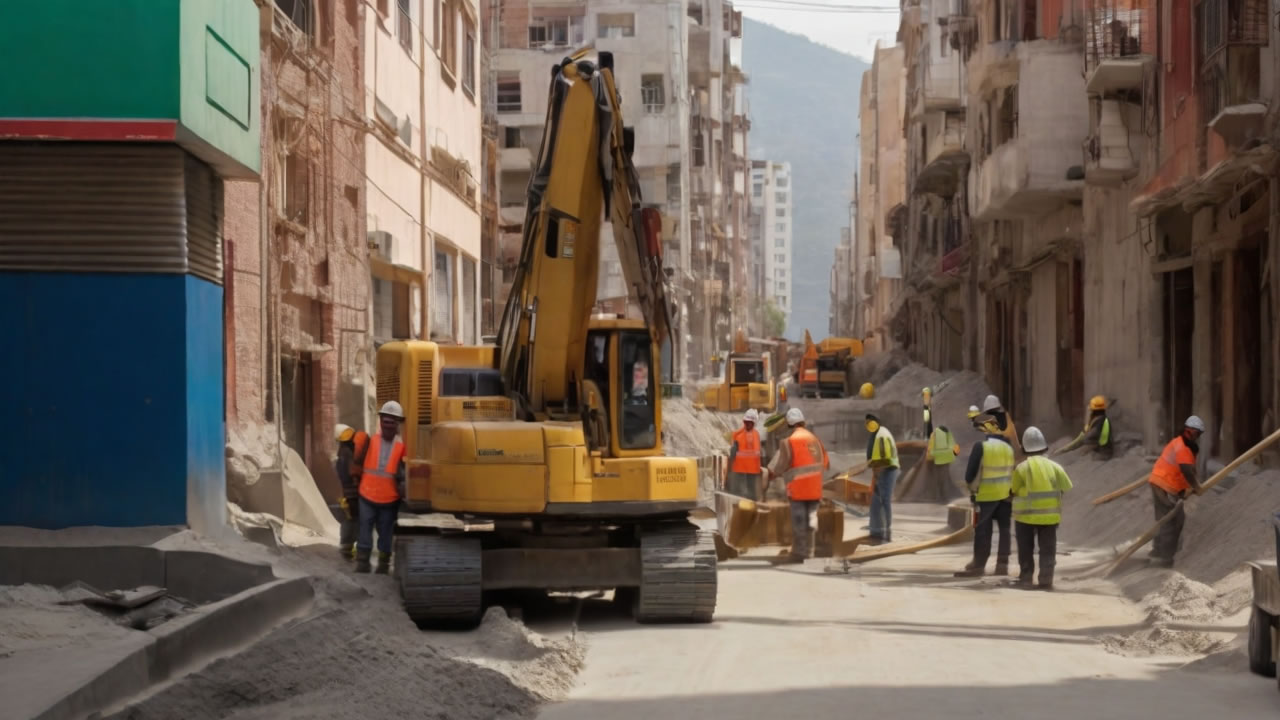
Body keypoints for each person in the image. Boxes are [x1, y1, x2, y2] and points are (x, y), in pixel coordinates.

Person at [1010, 426, 1073, 590]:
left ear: (1025, 448)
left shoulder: (1021, 468)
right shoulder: (1055, 467)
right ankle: (1046, 578)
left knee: (1025, 547)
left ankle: (1026, 577)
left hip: (1025, 517)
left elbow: (1014, 489)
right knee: (1048, 548)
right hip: (1050, 517)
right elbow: (1066, 487)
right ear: (1044, 446)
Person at [766, 407, 829, 563]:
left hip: (799, 490)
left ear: (789, 425)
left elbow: (782, 464)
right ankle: (810, 551)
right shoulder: (815, 439)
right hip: (815, 488)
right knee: (811, 519)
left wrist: (773, 474)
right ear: (803, 422)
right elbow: (826, 462)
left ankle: (800, 553)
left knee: (799, 520)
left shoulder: (789, 441)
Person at [956, 412, 1015, 577]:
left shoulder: (981, 447)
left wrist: (973, 491)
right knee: (1004, 529)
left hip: (986, 496)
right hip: (1005, 496)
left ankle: (979, 564)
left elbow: (970, 476)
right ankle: (1002, 565)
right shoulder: (1008, 447)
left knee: (983, 530)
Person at [356, 401, 407, 574]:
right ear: (381, 421)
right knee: (364, 529)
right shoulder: (370, 442)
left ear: (398, 424)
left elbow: (405, 472)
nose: (388, 425)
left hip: (389, 498)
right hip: (367, 494)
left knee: (385, 532)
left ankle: (383, 565)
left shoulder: (402, 447)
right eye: (386, 421)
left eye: (392, 422)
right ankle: (363, 563)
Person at [1147, 415, 1205, 568]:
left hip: (1161, 483)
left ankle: (1158, 551)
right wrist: (1197, 487)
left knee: (1168, 519)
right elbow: (1186, 470)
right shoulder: (1183, 448)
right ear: (1190, 431)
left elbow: (1182, 470)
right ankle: (1164, 557)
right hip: (1163, 486)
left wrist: (1184, 490)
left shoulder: (1178, 443)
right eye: (1196, 433)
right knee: (1170, 521)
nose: (1197, 437)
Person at [334, 423, 370, 561]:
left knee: (351, 519)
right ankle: (355, 548)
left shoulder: (344, 453)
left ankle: (348, 547)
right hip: (359, 492)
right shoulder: (353, 451)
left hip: (350, 493)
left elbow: (343, 475)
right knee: (358, 520)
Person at [865, 413, 900, 544]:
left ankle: (884, 532)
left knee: (883, 501)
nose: (868, 425)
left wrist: (874, 479)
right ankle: (877, 531)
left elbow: (883, 460)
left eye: (869, 422)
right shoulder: (877, 434)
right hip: (884, 469)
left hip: (887, 470)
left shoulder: (881, 435)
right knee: (877, 501)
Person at [726, 408, 765, 500]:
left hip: (751, 469)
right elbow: (733, 452)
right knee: (741, 492)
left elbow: (758, 452)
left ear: (753, 423)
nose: (748, 424)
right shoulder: (739, 435)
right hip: (741, 469)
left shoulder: (755, 435)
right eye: (746, 422)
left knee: (750, 493)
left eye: (749, 422)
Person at [925, 421, 961, 502]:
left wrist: (929, 458)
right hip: (947, 460)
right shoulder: (949, 434)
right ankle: (944, 497)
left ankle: (939, 498)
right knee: (944, 480)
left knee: (938, 480)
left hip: (938, 460)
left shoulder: (934, 434)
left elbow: (931, 448)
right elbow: (955, 448)